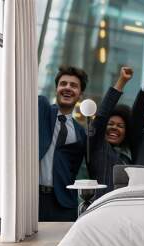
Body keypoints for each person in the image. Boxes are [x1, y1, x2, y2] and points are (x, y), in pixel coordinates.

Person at [38, 66, 87, 221]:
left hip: (63, 205)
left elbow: (73, 170)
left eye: (73, 85)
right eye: (63, 84)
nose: (67, 88)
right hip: (31, 199)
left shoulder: (80, 133)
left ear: (80, 94)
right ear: (56, 88)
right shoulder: (43, 112)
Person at [88, 66, 133, 198]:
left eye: (120, 126)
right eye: (110, 124)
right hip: (100, 206)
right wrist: (122, 81)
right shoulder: (97, 145)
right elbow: (102, 115)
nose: (114, 128)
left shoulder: (127, 157)